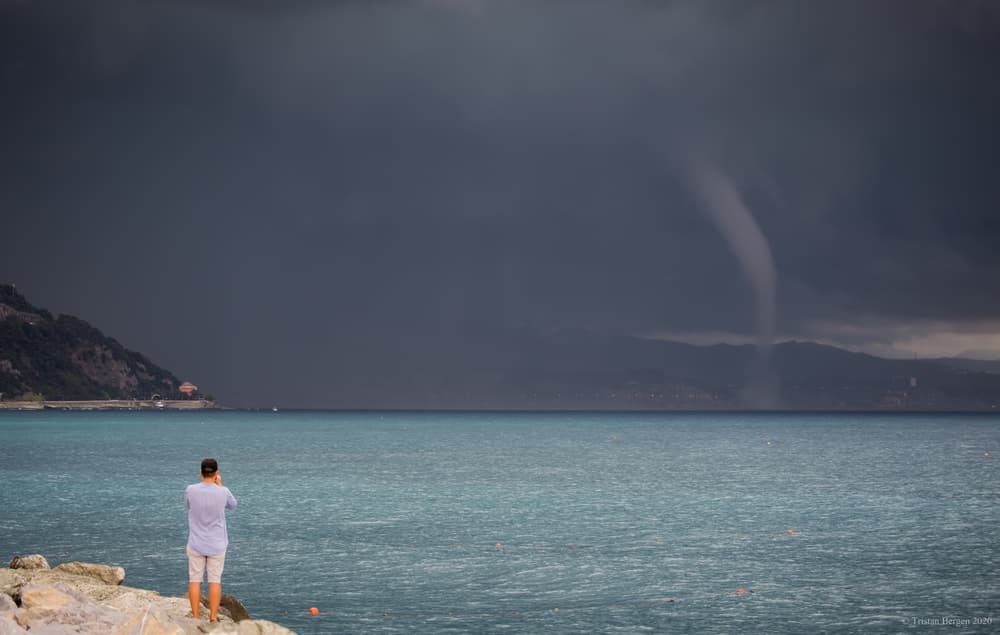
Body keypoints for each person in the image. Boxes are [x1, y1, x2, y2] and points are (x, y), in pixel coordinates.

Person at [185, 457, 237, 622]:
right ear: (216, 473)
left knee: (195, 580)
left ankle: (196, 617)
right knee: (215, 581)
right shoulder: (223, 491)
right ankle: (213, 617)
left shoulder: (190, 490)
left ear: (200, 472)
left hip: (196, 542)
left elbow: (188, 505)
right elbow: (233, 505)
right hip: (217, 544)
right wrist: (219, 484)